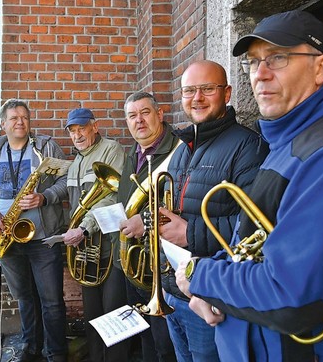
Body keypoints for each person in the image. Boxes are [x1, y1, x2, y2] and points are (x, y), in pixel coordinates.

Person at [175, 10, 323, 362]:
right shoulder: (287, 144)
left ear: (320, 68)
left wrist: (199, 275)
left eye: (278, 58)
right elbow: (250, 246)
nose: (260, 74)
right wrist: (212, 290)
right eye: (253, 61)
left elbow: (292, 295)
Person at [157, 61, 269, 362]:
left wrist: (188, 232)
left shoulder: (248, 146)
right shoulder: (182, 149)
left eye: (207, 89)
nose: (197, 98)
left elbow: (257, 227)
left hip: (210, 299)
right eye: (189, 91)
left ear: (227, 93)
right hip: (173, 292)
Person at [0, 99, 69, 362]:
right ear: (2, 124)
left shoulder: (45, 147)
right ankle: (31, 347)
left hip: (42, 238)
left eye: (25, 118)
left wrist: (45, 196)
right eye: (14, 118)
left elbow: (67, 179)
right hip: (7, 237)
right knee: (25, 298)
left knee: (51, 301)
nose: (20, 122)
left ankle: (56, 353)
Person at [61, 108, 129, 362]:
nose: (77, 135)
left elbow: (113, 197)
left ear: (95, 127)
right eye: (73, 131)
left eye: (82, 129)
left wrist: (84, 227)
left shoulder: (112, 150)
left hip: (109, 243)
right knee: (92, 312)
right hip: (85, 247)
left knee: (114, 309)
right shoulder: (76, 162)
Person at [117, 92, 179, 362]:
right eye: (132, 115)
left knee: (165, 343)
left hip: (164, 265)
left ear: (160, 114)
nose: (138, 121)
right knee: (145, 334)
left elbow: (181, 201)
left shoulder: (177, 150)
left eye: (145, 113)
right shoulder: (134, 152)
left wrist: (146, 220)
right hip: (137, 263)